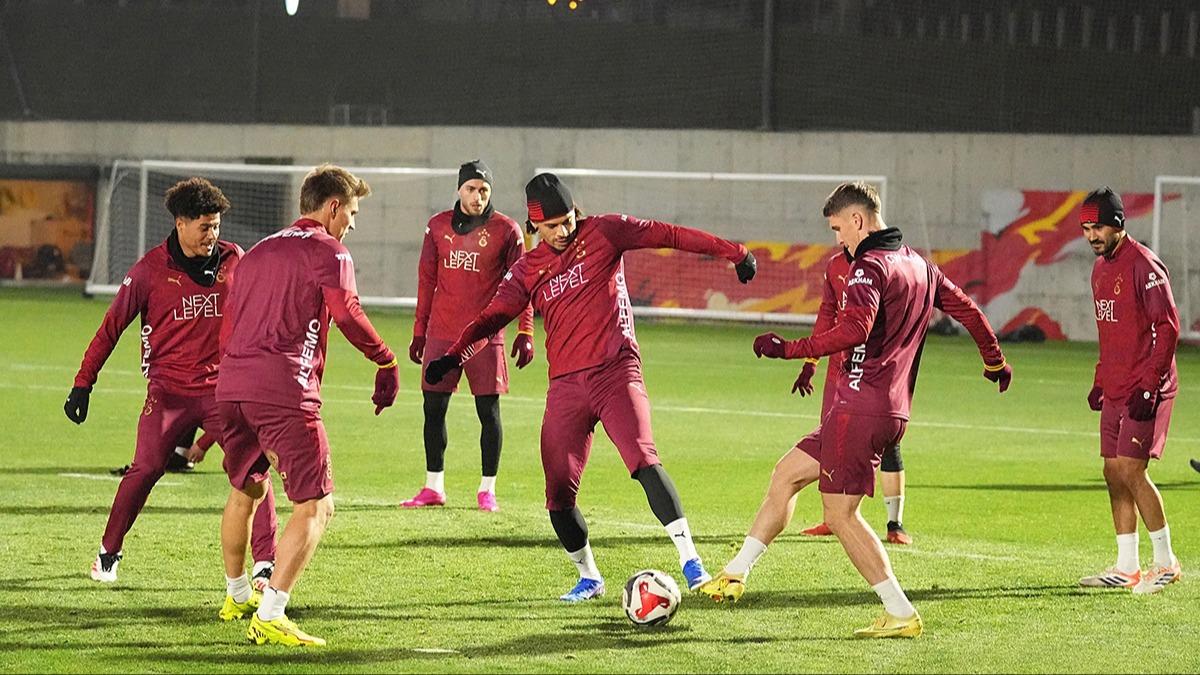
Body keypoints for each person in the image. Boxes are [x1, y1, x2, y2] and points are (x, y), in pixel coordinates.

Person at [425, 173, 757, 601]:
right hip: (566, 387)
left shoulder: (604, 231)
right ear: (534, 226)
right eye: (552, 226)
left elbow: (669, 234)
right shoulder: (527, 270)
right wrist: (454, 356)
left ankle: (692, 564)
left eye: (568, 220)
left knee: (643, 459)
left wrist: (735, 252)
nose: (564, 231)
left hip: (616, 372)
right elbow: (492, 318)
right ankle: (589, 577)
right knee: (557, 493)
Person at [703, 182, 1011, 639]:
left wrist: (790, 350)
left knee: (840, 515)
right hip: (887, 409)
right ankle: (735, 573)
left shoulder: (869, 266)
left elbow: (854, 330)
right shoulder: (919, 265)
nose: (837, 239)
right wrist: (995, 360)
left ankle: (900, 611)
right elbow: (967, 309)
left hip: (860, 406)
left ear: (858, 220)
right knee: (787, 475)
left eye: (837, 229)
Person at [215, 164, 400, 646]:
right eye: (352, 213)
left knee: (246, 489)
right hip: (283, 391)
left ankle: (237, 594)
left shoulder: (256, 252)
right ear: (333, 207)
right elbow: (348, 313)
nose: (352, 225)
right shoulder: (329, 251)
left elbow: (228, 327)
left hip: (231, 386)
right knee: (316, 505)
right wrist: (385, 359)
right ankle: (271, 611)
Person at [64, 178, 279, 586]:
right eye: (205, 226)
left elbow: (262, 307)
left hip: (222, 393)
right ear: (180, 223)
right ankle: (108, 552)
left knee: (254, 469)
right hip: (168, 394)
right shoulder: (149, 271)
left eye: (216, 226)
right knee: (145, 468)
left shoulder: (235, 259)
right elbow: (110, 329)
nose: (212, 235)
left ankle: (266, 563)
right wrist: (83, 383)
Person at [404, 160, 534, 512]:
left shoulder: (507, 230)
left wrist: (525, 330)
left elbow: (523, 284)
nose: (478, 196)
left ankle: (487, 490)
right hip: (442, 333)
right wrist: (419, 331)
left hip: (484, 337)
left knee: (488, 412)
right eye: (471, 189)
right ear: (459, 189)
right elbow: (426, 281)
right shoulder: (436, 226)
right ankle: (433, 486)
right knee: (433, 409)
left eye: (484, 190)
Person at [1077, 187, 1181, 594]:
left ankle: (1166, 562)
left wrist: (1150, 385)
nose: (1092, 236)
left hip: (1146, 386)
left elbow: (1167, 328)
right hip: (1117, 387)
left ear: (1118, 223)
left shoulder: (1144, 265)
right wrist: (1100, 378)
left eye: (1098, 227)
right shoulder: (1100, 269)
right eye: (1086, 228)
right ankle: (1126, 567)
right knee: (1112, 472)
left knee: (1131, 470)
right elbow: (1110, 333)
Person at [794, 236, 911, 545]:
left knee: (888, 443)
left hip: (876, 368)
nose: (839, 236)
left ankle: (895, 523)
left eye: (840, 227)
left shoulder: (886, 265)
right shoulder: (835, 266)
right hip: (840, 370)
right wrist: (810, 363)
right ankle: (831, 517)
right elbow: (826, 314)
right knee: (830, 442)